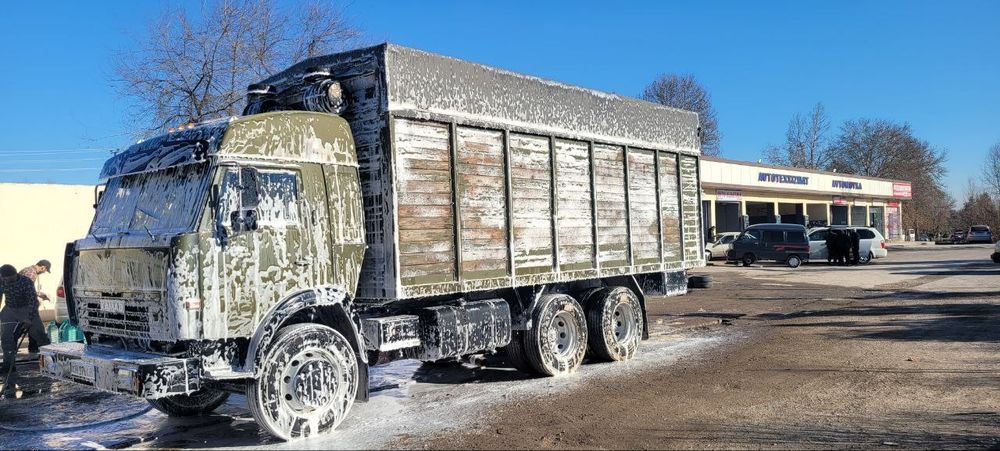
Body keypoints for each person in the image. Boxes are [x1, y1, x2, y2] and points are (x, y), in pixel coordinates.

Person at [1, 264, 51, 379]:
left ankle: (49, 363)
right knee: (6, 338)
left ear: (14, 275)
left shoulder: (26, 282)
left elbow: (33, 301)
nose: (6, 281)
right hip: (10, 308)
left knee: (40, 336)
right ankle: (8, 365)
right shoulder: (1, 280)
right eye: (4, 278)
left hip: (26, 308)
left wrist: (29, 319)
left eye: (8, 278)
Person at [19, 259, 51, 353]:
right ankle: (46, 352)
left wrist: (40, 294)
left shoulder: (27, 270)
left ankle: (33, 347)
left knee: (32, 327)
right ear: (43, 267)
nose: (44, 272)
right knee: (39, 329)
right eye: (45, 270)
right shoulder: (31, 274)